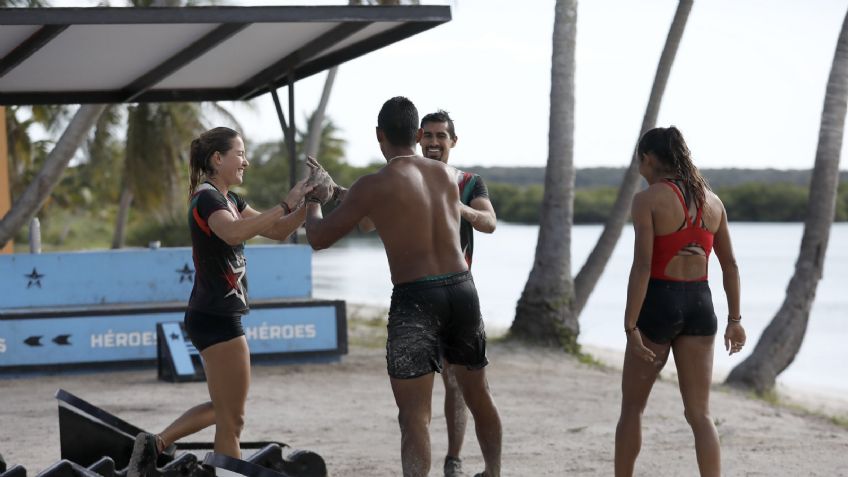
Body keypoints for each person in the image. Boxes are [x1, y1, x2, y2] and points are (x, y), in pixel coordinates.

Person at [304, 97, 502, 477]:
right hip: (462, 290)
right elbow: (390, 208)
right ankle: (493, 472)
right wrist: (340, 194)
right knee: (479, 394)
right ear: (416, 135)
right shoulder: (447, 177)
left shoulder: (373, 185)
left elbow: (319, 237)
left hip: (417, 299)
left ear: (379, 135)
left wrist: (316, 200)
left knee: (414, 416)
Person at [127, 127, 311, 477]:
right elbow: (234, 233)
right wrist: (287, 202)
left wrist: (310, 202)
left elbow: (276, 230)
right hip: (218, 316)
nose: (246, 161)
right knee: (232, 419)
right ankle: (187, 456)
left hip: (212, 314)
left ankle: (155, 445)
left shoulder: (230, 199)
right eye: (239, 153)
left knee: (224, 410)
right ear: (217, 158)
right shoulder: (208, 198)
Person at [614, 126, 747, 477]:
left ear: (649, 159)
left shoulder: (647, 200)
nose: (639, 169)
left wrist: (630, 325)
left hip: (659, 301)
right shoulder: (713, 201)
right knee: (700, 414)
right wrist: (735, 319)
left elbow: (642, 266)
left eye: (640, 161)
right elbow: (730, 265)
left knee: (632, 409)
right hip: (701, 305)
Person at [419, 110, 497, 477]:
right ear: (418, 139)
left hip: (457, 296)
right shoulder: (406, 178)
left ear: (453, 141)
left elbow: (490, 223)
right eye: (428, 136)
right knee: (416, 386)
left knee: (457, 382)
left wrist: (459, 206)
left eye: (441, 136)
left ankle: (454, 459)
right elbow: (368, 219)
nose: (434, 143)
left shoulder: (469, 182)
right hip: (414, 298)